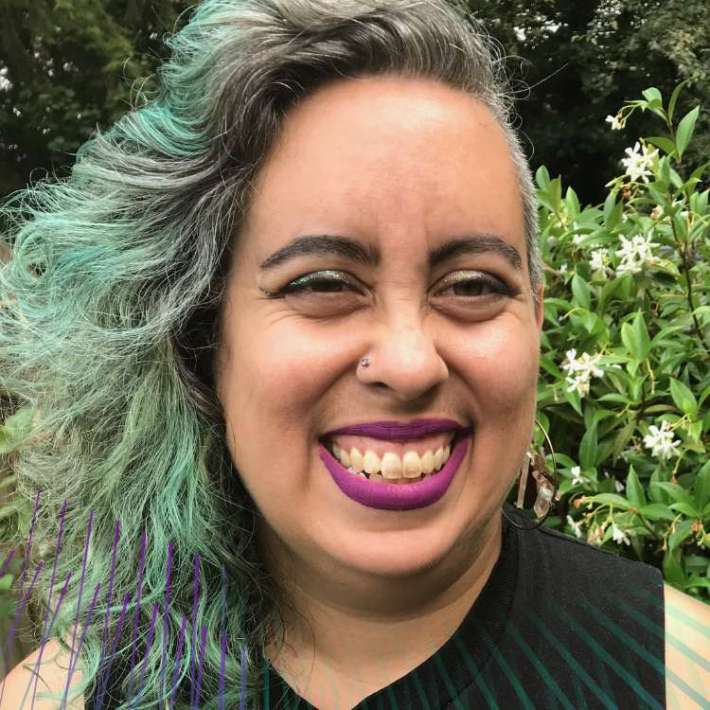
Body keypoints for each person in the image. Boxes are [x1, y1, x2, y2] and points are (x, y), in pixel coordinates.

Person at [0, 0, 708, 708]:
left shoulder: (683, 679)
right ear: (203, 336)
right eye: (321, 284)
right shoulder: (60, 697)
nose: (408, 364)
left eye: (471, 285)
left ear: (536, 317)